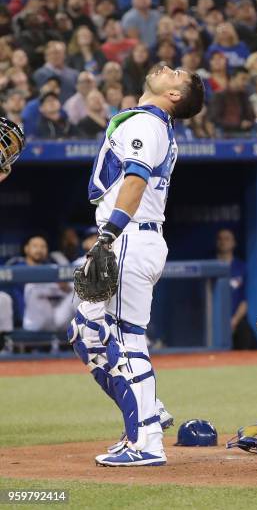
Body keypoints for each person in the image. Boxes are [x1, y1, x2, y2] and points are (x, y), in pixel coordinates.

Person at [68, 64, 205, 467]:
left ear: (175, 95)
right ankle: (148, 412)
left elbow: (135, 179)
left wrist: (108, 235)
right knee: (85, 332)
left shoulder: (147, 122)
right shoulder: (151, 122)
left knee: (127, 339)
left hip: (128, 236)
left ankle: (146, 442)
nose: (167, 67)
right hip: (134, 235)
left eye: (176, 72)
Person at [215, 229, 257, 350]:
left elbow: (244, 301)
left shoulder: (241, 267)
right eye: (220, 239)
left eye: (227, 238)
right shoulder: (211, 265)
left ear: (234, 243)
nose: (223, 242)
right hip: (213, 322)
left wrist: (233, 321)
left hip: (234, 319)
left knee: (250, 339)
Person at [208, 68, 255, 136]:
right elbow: (214, 119)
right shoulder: (219, 95)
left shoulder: (244, 96)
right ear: (233, 78)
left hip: (244, 134)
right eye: (243, 79)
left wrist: (248, 122)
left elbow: (251, 116)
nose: (245, 83)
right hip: (224, 134)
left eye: (247, 80)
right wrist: (237, 124)